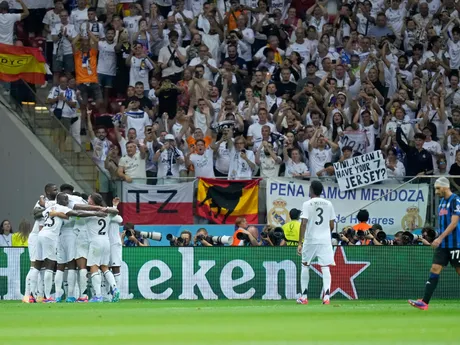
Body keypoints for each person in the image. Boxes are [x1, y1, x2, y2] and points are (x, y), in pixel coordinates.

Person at [28, 192, 106, 303]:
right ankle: (51, 296)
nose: (67, 201)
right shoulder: (63, 208)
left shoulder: (50, 208)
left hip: (44, 235)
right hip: (62, 237)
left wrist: (44, 200)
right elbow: (77, 213)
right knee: (63, 265)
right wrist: (95, 212)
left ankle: (32, 295)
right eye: (66, 199)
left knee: (39, 265)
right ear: (61, 200)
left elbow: (41, 211)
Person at [409, 177, 460, 310]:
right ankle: (424, 302)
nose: (436, 191)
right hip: (443, 245)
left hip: (456, 244)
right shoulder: (442, 202)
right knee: (434, 269)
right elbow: (443, 224)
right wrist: (437, 237)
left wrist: (440, 238)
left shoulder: (455, 200)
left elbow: (454, 223)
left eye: (438, 188)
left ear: (445, 187)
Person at [297, 180, 336, 305]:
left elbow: (303, 224)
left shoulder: (307, 204)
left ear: (311, 190)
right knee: (325, 267)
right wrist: (324, 231)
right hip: (325, 240)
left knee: (305, 265)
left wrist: (300, 243)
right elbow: (331, 225)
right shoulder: (329, 204)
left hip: (311, 240)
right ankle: (327, 297)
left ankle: (304, 296)